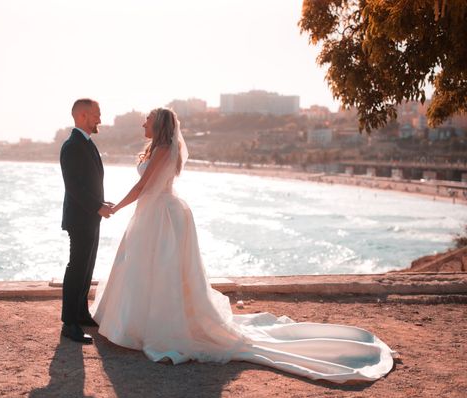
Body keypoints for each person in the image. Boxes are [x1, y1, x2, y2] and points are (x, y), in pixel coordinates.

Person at [92, 107, 396, 383]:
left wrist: (115, 208)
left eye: (147, 118)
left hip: (159, 215)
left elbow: (143, 186)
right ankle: (138, 324)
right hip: (157, 213)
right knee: (148, 269)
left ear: (157, 124)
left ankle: (147, 327)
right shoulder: (159, 147)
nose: (142, 122)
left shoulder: (163, 148)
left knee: (159, 270)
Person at [60, 98, 113, 344]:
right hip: (80, 218)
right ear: (82, 116)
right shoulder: (72, 146)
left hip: (91, 216)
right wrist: (97, 206)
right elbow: (74, 187)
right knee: (77, 268)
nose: (100, 119)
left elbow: (88, 183)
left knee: (87, 267)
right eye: (96, 114)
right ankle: (69, 323)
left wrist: (102, 204)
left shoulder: (86, 143)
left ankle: (81, 313)